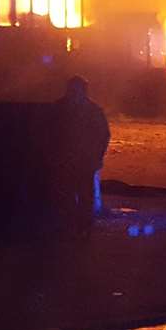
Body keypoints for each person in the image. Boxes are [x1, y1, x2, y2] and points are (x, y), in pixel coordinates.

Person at [47, 75, 110, 236]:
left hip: (81, 160)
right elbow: (103, 135)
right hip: (71, 159)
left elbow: (103, 135)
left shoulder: (60, 108)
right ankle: (75, 225)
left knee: (80, 194)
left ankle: (80, 225)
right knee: (70, 193)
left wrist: (97, 156)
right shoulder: (87, 110)